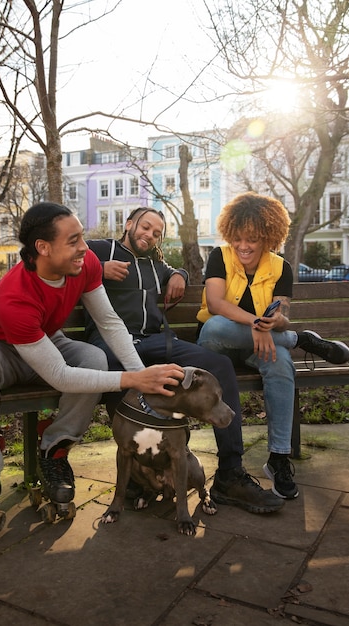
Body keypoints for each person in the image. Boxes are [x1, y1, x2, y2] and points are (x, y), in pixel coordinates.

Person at [0, 202, 186, 541]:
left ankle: (54, 452)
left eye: (82, 237)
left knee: (94, 358)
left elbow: (110, 323)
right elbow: (58, 375)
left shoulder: (83, 266)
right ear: (43, 248)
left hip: (45, 340)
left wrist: (142, 376)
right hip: (0, 349)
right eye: (73, 241)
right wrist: (133, 379)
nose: (84, 247)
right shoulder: (14, 297)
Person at [86, 207, 284, 515]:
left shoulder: (156, 262)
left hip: (155, 340)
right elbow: (62, 263)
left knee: (218, 365)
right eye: (145, 227)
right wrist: (97, 269)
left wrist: (178, 274)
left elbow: (181, 271)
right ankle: (137, 470)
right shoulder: (101, 249)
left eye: (157, 233)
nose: (149, 235)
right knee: (115, 366)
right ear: (128, 224)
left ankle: (230, 473)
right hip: (111, 340)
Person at [197, 192, 349, 500]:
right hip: (216, 344)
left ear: (268, 236)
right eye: (237, 238)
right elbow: (215, 304)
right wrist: (258, 323)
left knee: (280, 362)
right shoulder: (219, 256)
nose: (243, 246)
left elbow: (282, 313)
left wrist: (274, 324)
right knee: (217, 325)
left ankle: (279, 458)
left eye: (252, 239)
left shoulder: (281, 267)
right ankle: (301, 341)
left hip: (259, 344)